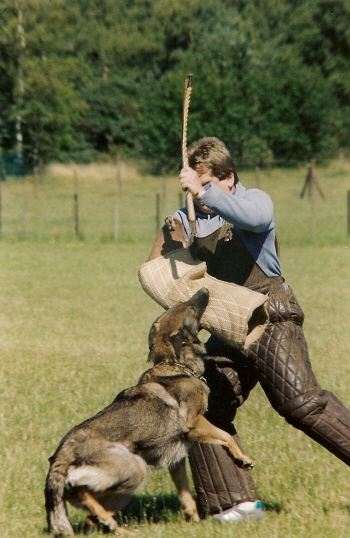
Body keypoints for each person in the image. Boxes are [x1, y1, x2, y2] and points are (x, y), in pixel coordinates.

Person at [170, 137, 350, 524]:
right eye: (195, 187)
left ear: (228, 178)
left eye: (209, 186)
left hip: (270, 314)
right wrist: (172, 237)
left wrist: (203, 192)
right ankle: (234, 504)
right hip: (227, 324)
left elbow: (256, 221)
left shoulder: (254, 200)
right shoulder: (188, 216)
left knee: (301, 403)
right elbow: (163, 266)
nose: (201, 196)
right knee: (202, 407)